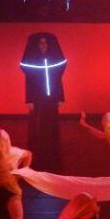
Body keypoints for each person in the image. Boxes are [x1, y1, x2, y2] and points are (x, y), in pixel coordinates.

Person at [20, 32, 66, 170]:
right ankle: (37, 149)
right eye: (40, 42)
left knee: (52, 122)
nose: (43, 45)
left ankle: (52, 147)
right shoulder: (32, 60)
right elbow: (28, 81)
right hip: (37, 97)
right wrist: (29, 99)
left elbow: (58, 80)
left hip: (52, 96)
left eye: (45, 42)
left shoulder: (55, 59)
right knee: (37, 124)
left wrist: (60, 97)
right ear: (37, 45)